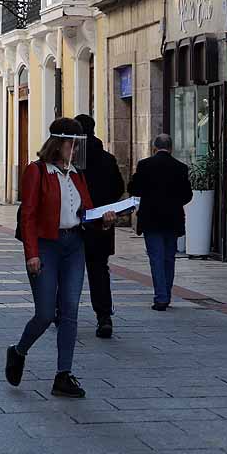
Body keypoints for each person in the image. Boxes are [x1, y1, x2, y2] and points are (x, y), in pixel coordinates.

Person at [5, 118, 115, 399]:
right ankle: (19, 351)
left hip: (74, 246)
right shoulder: (37, 171)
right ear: (59, 143)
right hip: (46, 246)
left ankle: (63, 375)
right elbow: (28, 216)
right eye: (72, 144)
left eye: (77, 146)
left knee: (70, 311)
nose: (75, 150)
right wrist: (31, 254)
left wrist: (104, 219)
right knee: (44, 313)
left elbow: (86, 212)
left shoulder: (76, 174)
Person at [127, 134, 192, 311]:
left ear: (154, 147)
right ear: (171, 148)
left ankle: (161, 297)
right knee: (169, 258)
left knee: (156, 258)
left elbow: (134, 189)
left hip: (151, 219)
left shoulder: (144, 165)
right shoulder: (181, 167)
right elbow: (187, 195)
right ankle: (166, 294)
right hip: (172, 219)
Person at [75, 114, 125, 339]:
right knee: (99, 272)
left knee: (68, 271)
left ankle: (61, 312)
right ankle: (104, 317)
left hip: (74, 224)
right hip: (101, 224)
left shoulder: (73, 160)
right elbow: (118, 188)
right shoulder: (108, 159)